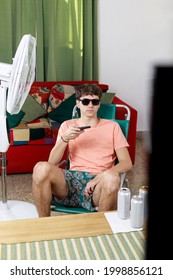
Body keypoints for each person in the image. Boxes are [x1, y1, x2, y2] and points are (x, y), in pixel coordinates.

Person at [32, 84, 132, 217]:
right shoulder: (67, 126)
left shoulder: (113, 127)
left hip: (98, 183)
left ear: (99, 104)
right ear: (78, 103)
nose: (90, 105)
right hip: (70, 181)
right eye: (85, 101)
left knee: (112, 177)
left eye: (95, 101)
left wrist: (101, 176)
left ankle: (102, 229)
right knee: (40, 168)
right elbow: (52, 162)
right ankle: (43, 224)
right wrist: (64, 139)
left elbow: (126, 163)